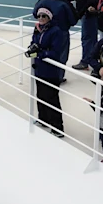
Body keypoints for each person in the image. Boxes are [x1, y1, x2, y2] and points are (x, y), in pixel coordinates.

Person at [28, 8, 69, 137]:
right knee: (40, 94)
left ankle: (57, 128)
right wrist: (32, 48)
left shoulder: (55, 31)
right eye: (39, 16)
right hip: (39, 68)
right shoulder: (37, 29)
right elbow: (33, 42)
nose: (41, 18)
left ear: (49, 18)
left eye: (44, 16)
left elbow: (56, 53)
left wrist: (41, 53)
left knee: (52, 98)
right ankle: (43, 119)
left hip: (51, 70)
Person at [33, 0, 77, 67]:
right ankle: (58, 77)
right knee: (60, 56)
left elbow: (35, 13)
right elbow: (73, 20)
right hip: (62, 32)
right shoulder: (65, 3)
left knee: (42, 52)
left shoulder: (42, 1)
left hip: (43, 31)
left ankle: (42, 73)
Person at [71, 0, 102, 72]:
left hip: (89, 16)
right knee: (90, 38)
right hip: (88, 15)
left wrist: (81, 12)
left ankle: (86, 61)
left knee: (87, 38)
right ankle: (91, 60)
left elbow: (91, 1)